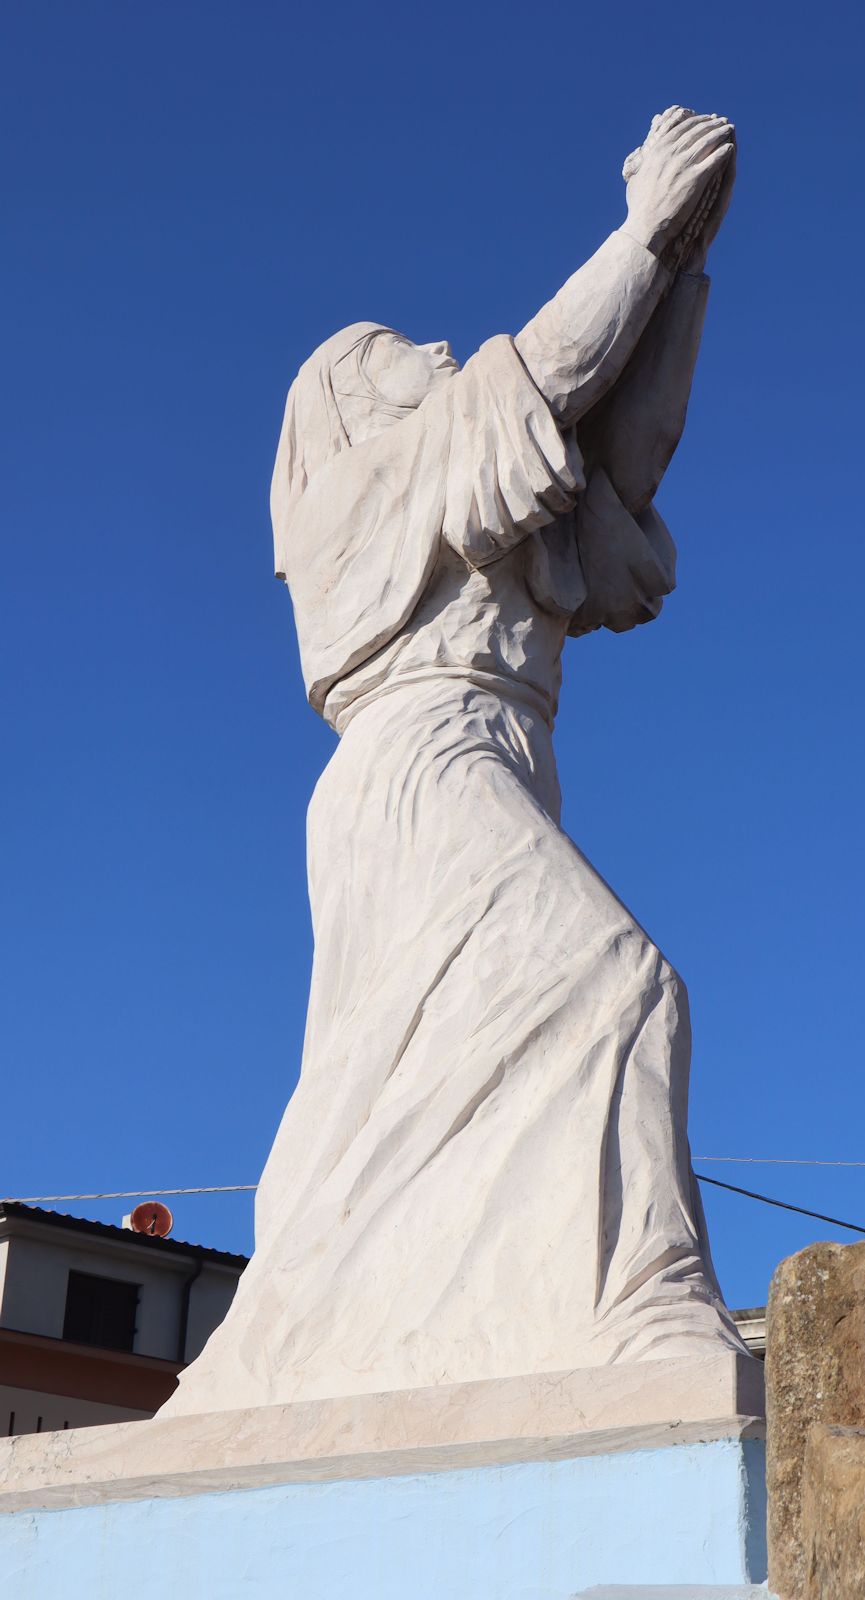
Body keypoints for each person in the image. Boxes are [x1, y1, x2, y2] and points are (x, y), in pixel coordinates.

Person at [163, 107, 749, 1415]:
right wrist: (641, 232)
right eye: (400, 351)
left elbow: (616, 453)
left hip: (496, 752)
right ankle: (640, 1303)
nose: (435, 349)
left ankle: (334, 1337)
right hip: (419, 757)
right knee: (615, 981)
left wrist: (682, 258)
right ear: (349, 405)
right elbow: (540, 377)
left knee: (389, 1082)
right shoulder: (355, 498)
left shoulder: (471, 494)